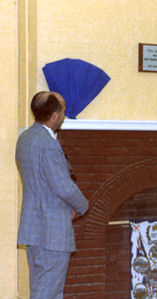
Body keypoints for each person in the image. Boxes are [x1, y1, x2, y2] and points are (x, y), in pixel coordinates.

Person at [16, 91, 89, 299]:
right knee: (49, 292)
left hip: (34, 228)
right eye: (63, 111)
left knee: (41, 287)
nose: (64, 115)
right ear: (55, 116)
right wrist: (83, 205)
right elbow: (63, 187)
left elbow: (41, 183)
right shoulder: (48, 145)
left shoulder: (25, 138)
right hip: (52, 231)